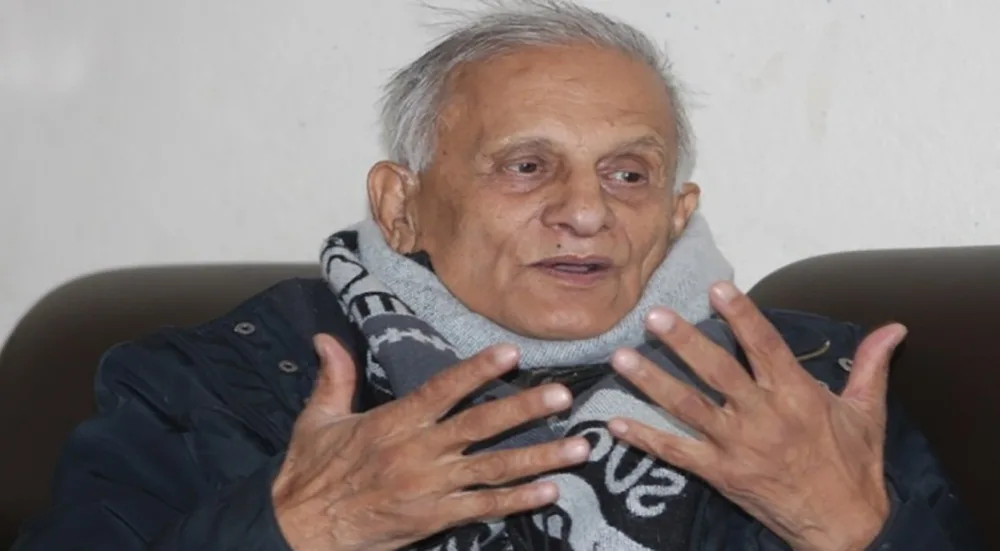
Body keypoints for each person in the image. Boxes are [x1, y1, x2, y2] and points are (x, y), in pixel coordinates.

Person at [11, 1, 980, 550]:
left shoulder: (808, 391)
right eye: (526, 165)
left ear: (677, 214)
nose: (587, 211)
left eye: (628, 174)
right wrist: (290, 525)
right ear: (401, 205)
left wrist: (862, 529)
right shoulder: (218, 384)